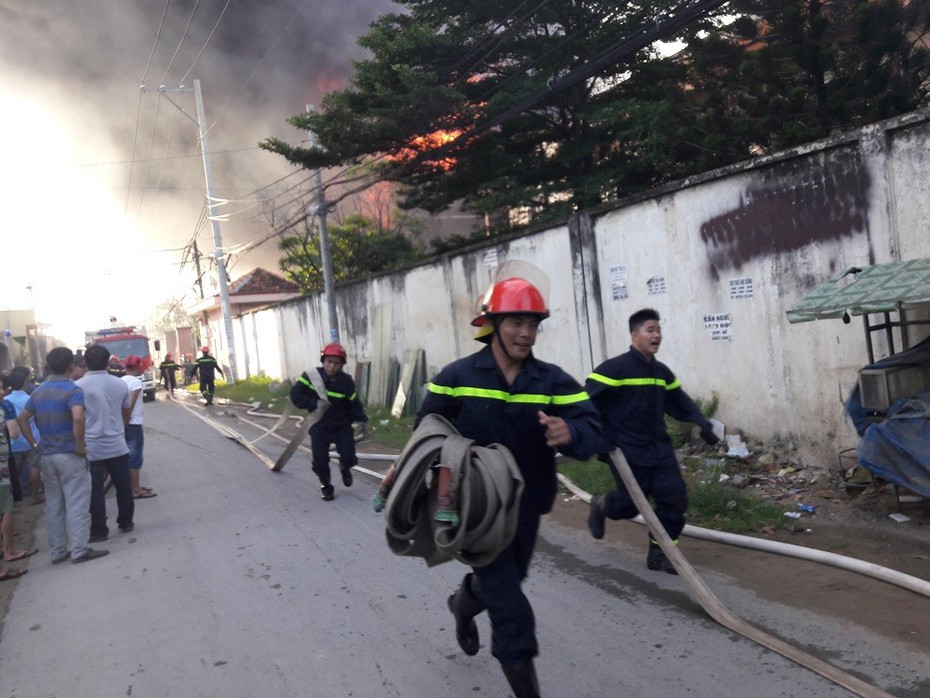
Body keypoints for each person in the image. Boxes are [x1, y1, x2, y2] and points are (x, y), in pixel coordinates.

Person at [414, 277, 601, 697]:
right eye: (516, 321)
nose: (526, 333)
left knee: (509, 579)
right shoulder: (456, 377)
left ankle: (463, 604)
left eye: (533, 324)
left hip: (527, 504)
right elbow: (426, 430)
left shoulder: (552, 382)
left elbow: (594, 428)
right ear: (493, 323)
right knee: (509, 606)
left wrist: (570, 432)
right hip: (474, 506)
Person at [585, 308, 720, 574]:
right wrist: (600, 437)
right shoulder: (613, 370)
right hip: (625, 450)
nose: (656, 335)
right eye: (650, 329)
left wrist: (703, 424)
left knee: (674, 501)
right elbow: (584, 404)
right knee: (630, 504)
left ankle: (660, 554)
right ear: (635, 335)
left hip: (659, 448)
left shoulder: (661, 373)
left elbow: (680, 401)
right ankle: (601, 504)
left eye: (658, 329)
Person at [17, 347, 109, 563]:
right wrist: (79, 446)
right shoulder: (72, 390)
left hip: (47, 456)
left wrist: (35, 444)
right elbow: (78, 417)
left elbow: (22, 419)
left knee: (55, 505)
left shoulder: (38, 391)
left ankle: (58, 551)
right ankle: (79, 549)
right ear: (70, 366)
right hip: (69, 454)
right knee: (77, 503)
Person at [289, 343, 368, 501]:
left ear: (341, 364)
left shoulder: (346, 382)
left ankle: (345, 467)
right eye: (329, 361)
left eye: (336, 363)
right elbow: (296, 394)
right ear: (323, 361)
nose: (331, 366)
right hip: (319, 425)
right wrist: (314, 403)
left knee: (349, 457)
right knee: (319, 462)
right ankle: (326, 485)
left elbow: (353, 403)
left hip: (341, 425)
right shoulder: (311, 376)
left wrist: (361, 420)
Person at [76, 344, 134, 541]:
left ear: (85, 363)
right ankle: (126, 522)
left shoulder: (78, 386)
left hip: (91, 447)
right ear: (108, 361)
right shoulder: (120, 384)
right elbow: (126, 415)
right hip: (117, 444)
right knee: (123, 486)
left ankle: (99, 530)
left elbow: (77, 417)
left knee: (94, 490)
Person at [1, 393, 36, 576]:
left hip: (5, 464)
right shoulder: (4, 407)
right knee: (6, 508)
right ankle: (9, 551)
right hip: (2, 467)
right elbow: (14, 434)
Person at [3, 366, 44, 505]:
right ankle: (35, 495)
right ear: (25, 383)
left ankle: (15, 497)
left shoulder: (6, 400)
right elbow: (38, 418)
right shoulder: (30, 398)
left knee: (14, 471)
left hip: (13, 442)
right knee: (34, 467)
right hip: (31, 438)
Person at [122, 355, 155, 499]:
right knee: (135, 457)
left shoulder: (121, 381)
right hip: (133, 424)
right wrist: (127, 419)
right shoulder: (135, 382)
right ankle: (135, 489)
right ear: (138, 366)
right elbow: (129, 404)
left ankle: (135, 486)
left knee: (128, 457)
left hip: (125, 423)